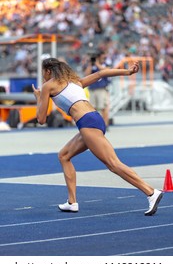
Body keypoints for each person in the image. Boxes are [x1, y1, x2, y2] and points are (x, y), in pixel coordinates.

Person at [32, 57, 163, 216]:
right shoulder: (75, 82)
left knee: (113, 164)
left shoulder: (48, 86)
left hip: (87, 123)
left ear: (48, 71)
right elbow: (102, 73)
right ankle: (72, 202)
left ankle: (150, 192)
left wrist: (39, 98)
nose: (42, 76)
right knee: (64, 155)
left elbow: (41, 119)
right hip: (94, 119)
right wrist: (127, 72)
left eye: (42, 72)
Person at [83, 51, 111, 129]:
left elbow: (106, 71)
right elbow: (86, 74)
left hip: (102, 88)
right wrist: (90, 64)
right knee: (93, 108)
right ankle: (95, 125)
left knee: (104, 107)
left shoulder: (105, 64)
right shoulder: (91, 66)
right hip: (92, 89)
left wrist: (97, 64)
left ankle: (105, 124)